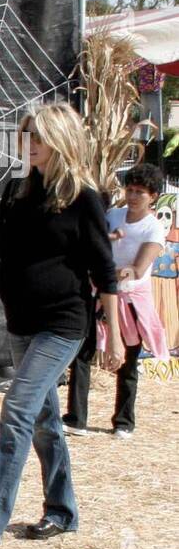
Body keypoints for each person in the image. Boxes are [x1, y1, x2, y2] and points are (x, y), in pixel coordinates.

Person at [0, 104, 123, 549]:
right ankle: (62, 512)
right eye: (24, 136)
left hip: (62, 324)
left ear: (59, 141)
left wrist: (115, 335)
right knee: (44, 420)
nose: (27, 145)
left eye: (36, 138)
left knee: (18, 409)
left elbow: (105, 271)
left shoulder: (84, 197)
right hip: (20, 323)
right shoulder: (15, 193)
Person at [64, 163, 168, 439]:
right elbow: (93, 241)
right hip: (98, 293)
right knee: (82, 354)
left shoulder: (154, 229)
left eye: (140, 192)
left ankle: (123, 422)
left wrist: (103, 269)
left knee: (128, 362)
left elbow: (138, 268)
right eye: (130, 190)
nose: (133, 196)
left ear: (153, 196)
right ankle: (76, 418)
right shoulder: (113, 216)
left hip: (130, 300)